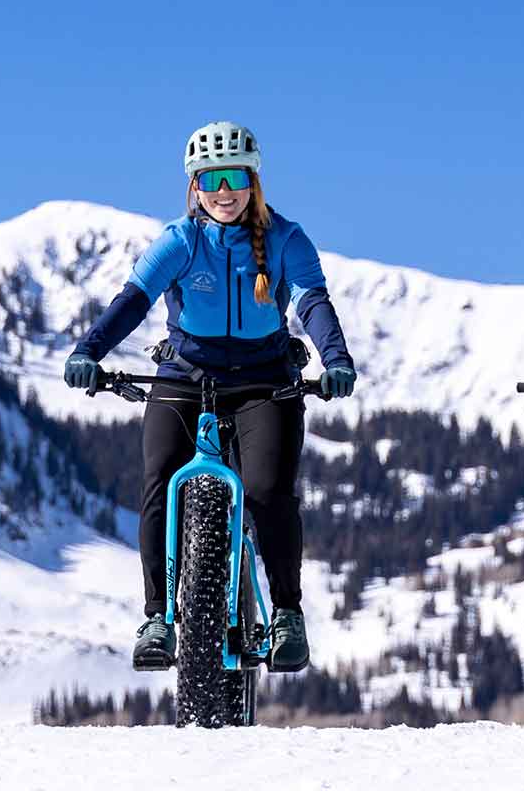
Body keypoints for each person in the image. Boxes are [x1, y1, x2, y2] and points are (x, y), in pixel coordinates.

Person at [63, 120, 356, 673]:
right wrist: (88, 351)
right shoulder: (180, 241)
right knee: (159, 483)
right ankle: (156, 618)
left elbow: (314, 303)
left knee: (268, 491)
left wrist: (335, 359)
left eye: (235, 176)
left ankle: (287, 616)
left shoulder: (287, 239)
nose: (224, 190)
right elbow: (132, 301)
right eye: (210, 178)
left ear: (253, 180)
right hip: (183, 377)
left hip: (264, 380)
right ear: (194, 185)